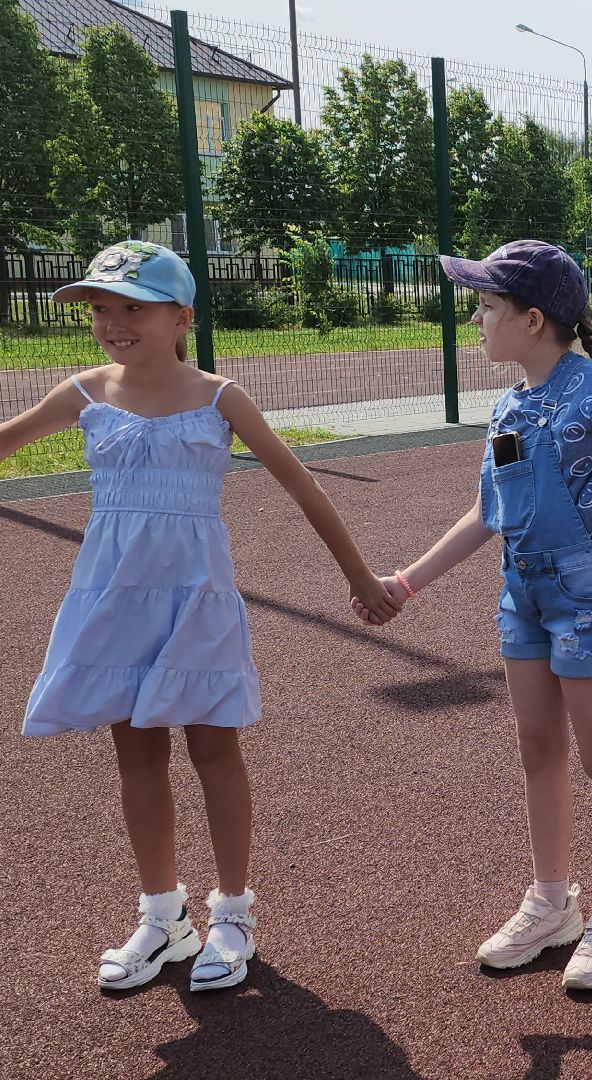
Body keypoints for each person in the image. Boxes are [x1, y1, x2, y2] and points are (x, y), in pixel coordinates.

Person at [1, 241, 401, 992]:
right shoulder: (84, 391)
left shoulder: (220, 397)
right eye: (100, 308)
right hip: (114, 601)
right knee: (137, 753)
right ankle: (163, 916)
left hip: (196, 600)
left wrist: (358, 575)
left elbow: (301, 485)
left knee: (215, 749)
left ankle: (233, 913)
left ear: (182, 316)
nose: (113, 323)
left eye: (133, 307)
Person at [357, 240, 592, 991]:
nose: (475, 318)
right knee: (537, 748)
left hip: (587, 591)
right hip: (521, 591)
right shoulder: (508, 406)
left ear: (532, 320)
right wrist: (405, 582)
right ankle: (551, 902)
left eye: (487, 307)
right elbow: (490, 510)